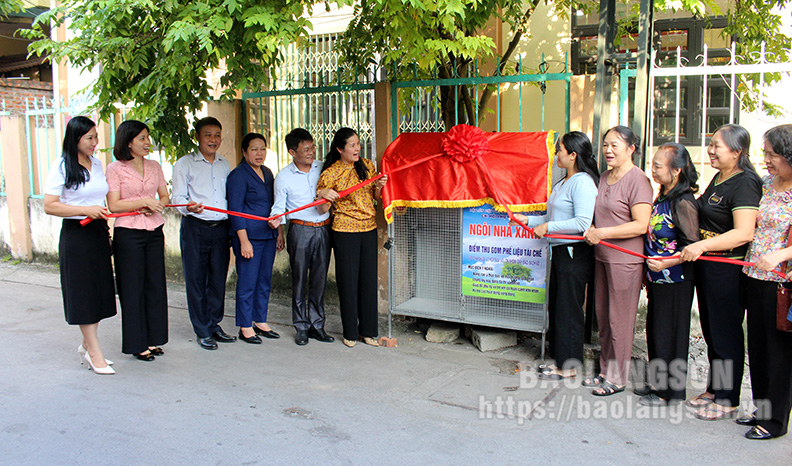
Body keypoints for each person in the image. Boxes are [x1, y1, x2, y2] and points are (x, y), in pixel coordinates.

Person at [679, 124, 761, 420]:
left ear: (737, 152)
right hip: (707, 265)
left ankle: (728, 398)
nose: (710, 151)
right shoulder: (720, 177)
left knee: (726, 332)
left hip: (727, 268)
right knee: (712, 330)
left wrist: (701, 245)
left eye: (717, 146)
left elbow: (743, 232)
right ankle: (715, 388)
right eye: (710, 144)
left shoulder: (746, 182)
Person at [511, 131, 599, 380]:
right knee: (558, 308)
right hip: (560, 252)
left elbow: (583, 222)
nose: (556, 154)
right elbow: (553, 218)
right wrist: (529, 219)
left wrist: (548, 228)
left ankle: (569, 366)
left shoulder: (582, 182)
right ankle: (561, 361)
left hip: (574, 254)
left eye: (560, 150)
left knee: (569, 310)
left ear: (573, 155)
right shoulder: (563, 182)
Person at [43, 116, 117, 375]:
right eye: (90, 138)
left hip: (98, 232)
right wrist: (84, 209)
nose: (95, 143)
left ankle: (87, 344)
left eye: (96, 137)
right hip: (77, 234)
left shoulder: (96, 164)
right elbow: (49, 205)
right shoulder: (62, 165)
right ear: (75, 139)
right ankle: (94, 353)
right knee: (84, 292)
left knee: (98, 290)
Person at [583, 125, 653, 396]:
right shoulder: (604, 176)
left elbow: (640, 225)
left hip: (626, 260)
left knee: (620, 320)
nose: (608, 150)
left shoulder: (638, 180)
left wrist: (603, 233)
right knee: (604, 316)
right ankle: (604, 371)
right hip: (602, 256)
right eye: (605, 145)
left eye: (615, 145)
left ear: (631, 148)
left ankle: (618, 377)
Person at [740, 124, 792, 439]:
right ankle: (762, 408)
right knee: (757, 347)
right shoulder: (766, 184)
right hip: (753, 276)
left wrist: (780, 254)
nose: (767, 160)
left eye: (772, 155)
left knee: (780, 352)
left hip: (780, 281)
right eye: (766, 154)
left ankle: (775, 421)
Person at [640, 143, 699, 406]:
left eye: (657, 166)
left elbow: (692, 246)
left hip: (676, 279)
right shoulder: (663, 195)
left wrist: (665, 264)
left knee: (671, 333)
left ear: (676, 171)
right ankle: (657, 383)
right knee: (656, 330)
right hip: (657, 277)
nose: (652, 170)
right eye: (652, 164)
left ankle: (671, 391)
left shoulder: (683, 201)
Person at [317, 127, 387, 348]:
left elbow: (375, 198)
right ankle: (350, 331)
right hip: (344, 230)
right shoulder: (330, 173)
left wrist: (379, 188)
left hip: (368, 228)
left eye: (358, 143)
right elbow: (322, 210)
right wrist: (322, 195)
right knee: (348, 281)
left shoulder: (367, 166)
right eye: (352, 145)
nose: (357, 148)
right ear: (340, 149)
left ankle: (368, 331)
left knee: (368, 280)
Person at [106, 120, 170, 361]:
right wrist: (142, 203)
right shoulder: (115, 169)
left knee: (154, 285)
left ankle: (154, 339)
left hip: (154, 230)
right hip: (129, 233)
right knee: (132, 287)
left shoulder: (154, 166)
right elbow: (113, 204)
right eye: (142, 138)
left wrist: (158, 204)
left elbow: (164, 195)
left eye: (148, 137)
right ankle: (136, 343)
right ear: (128, 141)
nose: (147, 143)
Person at [171, 116, 237, 350]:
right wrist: (187, 206)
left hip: (220, 229)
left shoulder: (224, 163)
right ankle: (202, 329)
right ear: (197, 137)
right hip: (195, 227)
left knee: (218, 279)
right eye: (208, 135)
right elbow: (177, 198)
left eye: (217, 135)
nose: (213, 139)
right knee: (197, 280)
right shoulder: (184, 164)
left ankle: (214, 324)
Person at [269, 128, 335, 346]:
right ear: (292, 152)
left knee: (319, 279)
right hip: (300, 231)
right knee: (299, 280)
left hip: (323, 228)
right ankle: (301, 326)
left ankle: (318, 325)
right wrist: (276, 224)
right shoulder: (283, 177)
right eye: (306, 149)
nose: (311, 152)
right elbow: (279, 208)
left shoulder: (322, 169)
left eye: (313, 147)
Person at [227, 133, 284, 344]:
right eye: (254, 149)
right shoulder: (238, 175)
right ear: (244, 152)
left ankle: (260, 320)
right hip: (248, 237)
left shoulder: (268, 173)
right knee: (248, 282)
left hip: (267, 235)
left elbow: (275, 206)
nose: (259, 154)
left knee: (264, 281)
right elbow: (235, 210)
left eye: (262, 149)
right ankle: (245, 325)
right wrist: (243, 240)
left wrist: (279, 233)